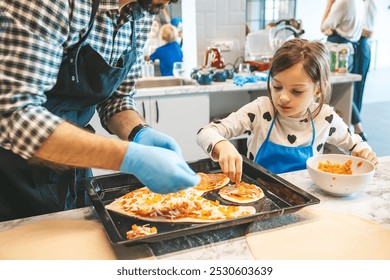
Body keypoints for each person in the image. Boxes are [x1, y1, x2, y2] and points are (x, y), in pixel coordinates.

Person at [0, 0, 200, 222]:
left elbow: (118, 97)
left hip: (74, 167)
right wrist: (130, 157)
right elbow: (13, 114)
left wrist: (139, 132)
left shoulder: (142, 12)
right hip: (11, 176)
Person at [196, 39, 378, 183]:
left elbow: (354, 144)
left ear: (318, 90)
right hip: (259, 194)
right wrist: (223, 145)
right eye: (277, 87)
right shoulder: (261, 110)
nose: (283, 97)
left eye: (296, 91)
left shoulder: (325, 118)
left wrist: (364, 151)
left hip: (308, 198)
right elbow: (205, 133)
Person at [320, 0, 368, 140]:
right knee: (345, 90)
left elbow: (324, 26)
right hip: (349, 50)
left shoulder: (342, 2)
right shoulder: (358, 2)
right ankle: (357, 129)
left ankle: (354, 130)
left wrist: (329, 5)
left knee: (337, 91)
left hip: (336, 50)